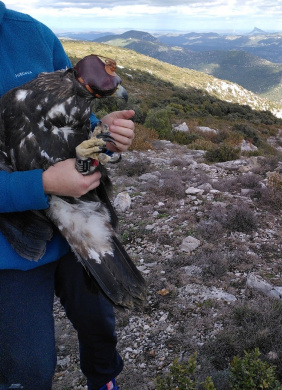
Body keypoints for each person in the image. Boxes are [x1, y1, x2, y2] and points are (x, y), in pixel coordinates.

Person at [0, 2, 135, 389]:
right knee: (26, 370)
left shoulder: (32, 33)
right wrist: (40, 185)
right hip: (11, 248)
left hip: (75, 222)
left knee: (99, 327)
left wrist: (103, 134)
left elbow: (76, 112)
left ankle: (104, 381)